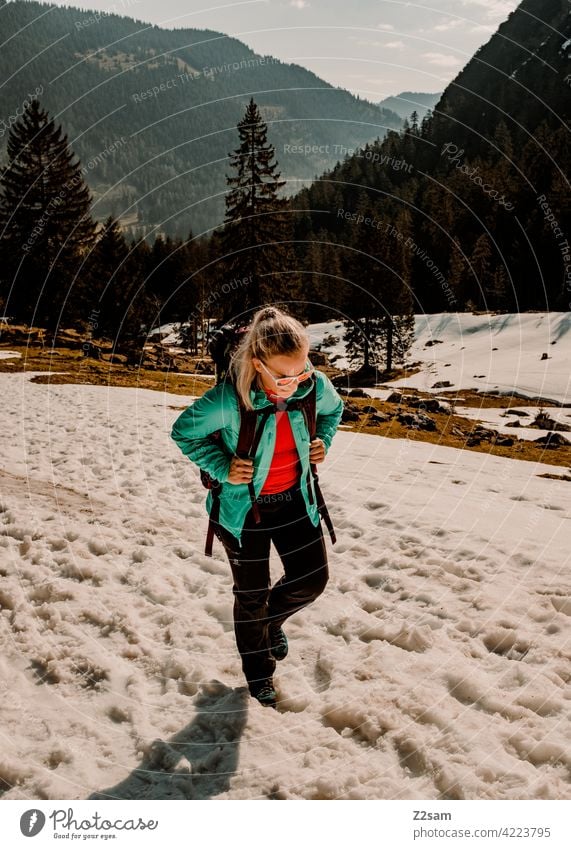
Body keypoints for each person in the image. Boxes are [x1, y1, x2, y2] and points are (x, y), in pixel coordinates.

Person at [170, 306, 344, 708]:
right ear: (257, 363)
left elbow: (333, 411)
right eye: (285, 377)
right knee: (251, 595)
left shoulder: (314, 387)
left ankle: (269, 622)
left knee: (311, 579)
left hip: (295, 500)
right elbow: (183, 433)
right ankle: (259, 674)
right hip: (243, 510)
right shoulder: (228, 400)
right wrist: (222, 466)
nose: (296, 383)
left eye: (303, 371)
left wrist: (323, 441)